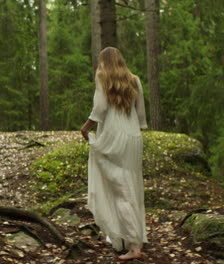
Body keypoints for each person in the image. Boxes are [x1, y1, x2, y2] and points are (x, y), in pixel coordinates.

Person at [80, 47, 148, 261]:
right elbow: (140, 114)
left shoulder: (102, 77)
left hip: (113, 136)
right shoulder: (135, 80)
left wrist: (86, 127)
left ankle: (135, 246)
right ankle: (125, 237)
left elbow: (100, 108)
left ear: (103, 62)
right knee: (131, 186)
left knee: (120, 190)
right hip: (133, 137)